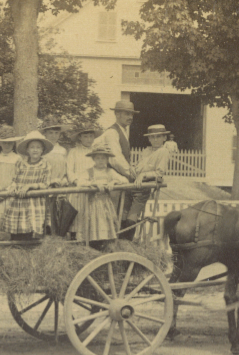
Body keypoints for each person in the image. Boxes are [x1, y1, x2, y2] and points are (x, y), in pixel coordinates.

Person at [125, 124, 179, 230]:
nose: (155, 140)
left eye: (158, 136)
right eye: (152, 137)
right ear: (149, 138)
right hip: (131, 184)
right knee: (122, 213)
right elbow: (139, 165)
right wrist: (132, 167)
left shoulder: (163, 152)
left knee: (131, 219)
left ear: (164, 137)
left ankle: (128, 242)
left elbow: (159, 173)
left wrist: (143, 175)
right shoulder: (146, 151)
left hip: (143, 188)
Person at [75, 142, 129, 248]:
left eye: (103, 158)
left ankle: (104, 245)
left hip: (105, 204)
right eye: (98, 158)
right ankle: (92, 246)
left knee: (105, 225)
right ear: (93, 159)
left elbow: (125, 180)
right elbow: (80, 182)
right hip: (92, 204)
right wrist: (93, 183)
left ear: (107, 159)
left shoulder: (110, 171)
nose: (101, 161)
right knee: (93, 225)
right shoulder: (89, 172)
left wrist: (114, 182)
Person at [97, 100, 138, 237]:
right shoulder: (112, 133)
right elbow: (115, 158)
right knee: (112, 213)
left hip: (120, 178)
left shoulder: (123, 132)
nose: (130, 117)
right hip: (111, 176)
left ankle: (120, 239)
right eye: (127, 114)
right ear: (117, 114)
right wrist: (131, 174)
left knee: (122, 211)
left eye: (131, 114)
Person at [1, 130, 51, 241]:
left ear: (42, 150)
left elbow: (46, 184)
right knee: (18, 229)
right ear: (27, 149)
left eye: (38, 147)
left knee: (33, 229)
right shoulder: (21, 162)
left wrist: (30, 186)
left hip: (35, 201)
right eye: (32, 147)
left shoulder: (45, 164)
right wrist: (13, 185)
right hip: (20, 200)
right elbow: (15, 178)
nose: (35, 150)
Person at [66, 123, 101, 239]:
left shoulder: (96, 152)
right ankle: (74, 239)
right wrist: (76, 181)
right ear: (80, 137)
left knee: (91, 214)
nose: (89, 139)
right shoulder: (74, 152)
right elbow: (70, 170)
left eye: (91, 136)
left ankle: (90, 240)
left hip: (92, 187)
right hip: (78, 188)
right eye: (86, 136)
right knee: (77, 215)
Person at [0, 125, 20, 240]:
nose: (7, 145)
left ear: (14, 144)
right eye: (4, 142)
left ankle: (12, 244)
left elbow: (19, 177)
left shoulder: (18, 159)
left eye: (10, 143)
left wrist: (9, 190)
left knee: (11, 218)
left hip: (10, 193)